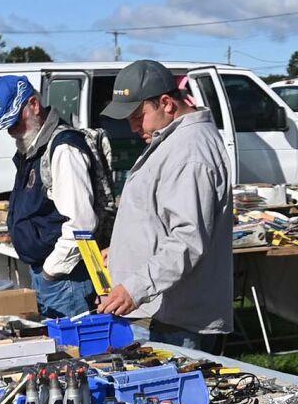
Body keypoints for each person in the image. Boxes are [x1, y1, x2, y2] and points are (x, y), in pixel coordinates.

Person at [95, 60, 232, 350]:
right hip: (160, 311)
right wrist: (122, 248)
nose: (132, 126)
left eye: (137, 115)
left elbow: (187, 240)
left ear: (167, 103)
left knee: (171, 397)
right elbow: (160, 217)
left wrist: (134, 288)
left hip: (176, 320)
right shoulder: (172, 140)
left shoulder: (189, 151)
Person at [0, 74, 108, 319]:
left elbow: (81, 224)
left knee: (77, 352)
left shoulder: (63, 148)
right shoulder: (31, 149)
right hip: (52, 275)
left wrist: (51, 271)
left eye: (15, 122)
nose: (12, 131)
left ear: (34, 105)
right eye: (8, 125)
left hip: (68, 279)